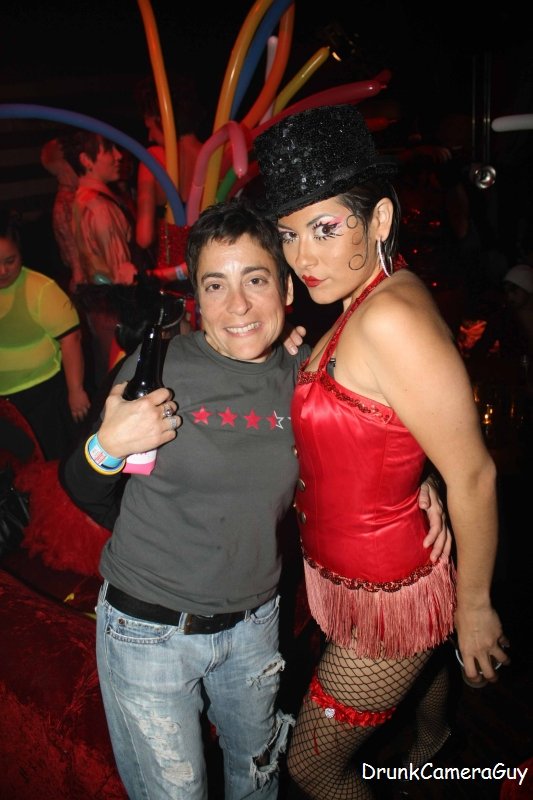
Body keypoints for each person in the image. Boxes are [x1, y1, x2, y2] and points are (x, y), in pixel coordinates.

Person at [60, 197, 449, 800]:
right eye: (215, 285)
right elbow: (81, 485)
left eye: (256, 280)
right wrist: (106, 447)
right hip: (147, 632)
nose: (236, 305)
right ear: (197, 299)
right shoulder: (158, 367)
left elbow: (373, 441)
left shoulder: (308, 373)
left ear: (287, 289)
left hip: (255, 629)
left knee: (258, 782)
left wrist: (419, 483)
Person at [253, 104, 510, 799]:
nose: (303, 257)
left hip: (388, 596)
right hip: (359, 571)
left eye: (324, 228)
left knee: (311, 769)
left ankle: (435, 743)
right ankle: (434, 744)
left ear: (380, 220)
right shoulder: (366, 296)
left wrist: (474, 607)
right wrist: (414, 472)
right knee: (417, 697)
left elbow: (476, 474)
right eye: (289, 234)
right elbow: (394, 418)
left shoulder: (389, 318)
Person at [0, 209, 90, 460]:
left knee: (49, 462)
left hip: (42, 398)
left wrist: (76, 390)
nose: (3, 271)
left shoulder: (41, 289)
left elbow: (71, 340)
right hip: (4, 404)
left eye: (10, 261)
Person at [62, 130, 146, 390]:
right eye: (109, 149)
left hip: (96, 307)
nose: (118, 155)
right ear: (86, 160)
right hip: (115, 312)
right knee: (121, 377)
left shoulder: (80, 199)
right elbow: (123, 276)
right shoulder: (101, 208)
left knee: (107, 376)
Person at [40, 135, 83, 291]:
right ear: (64, 164)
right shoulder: (64, 203)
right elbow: (72, 249)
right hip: (86, 275)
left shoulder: (75, 195)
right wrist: (79, 277)